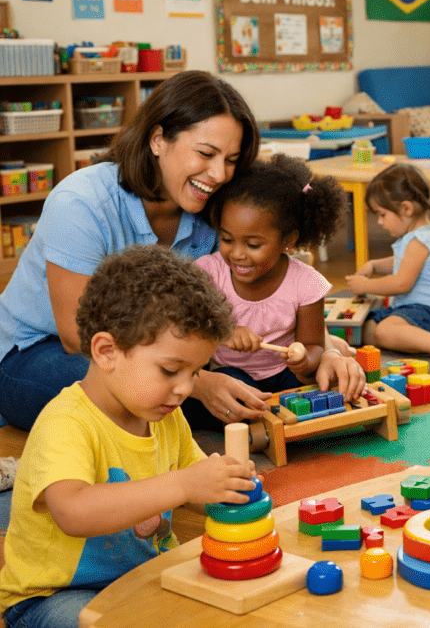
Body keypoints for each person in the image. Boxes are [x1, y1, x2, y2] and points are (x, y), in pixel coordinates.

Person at [0, 71, 361, 432]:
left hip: (155, 354)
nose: (219, 174)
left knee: (227, 395)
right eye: (205, 153)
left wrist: (326, 351)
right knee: (128, 393)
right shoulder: (81, 202)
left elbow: (265, 299)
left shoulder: (213, 212)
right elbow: (76, 336)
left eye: (231, 159)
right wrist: (196, 383)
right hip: (38, 352)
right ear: (158, 139)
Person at [0, 245, 257, 628]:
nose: (186, 388)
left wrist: (230, 488)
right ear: (106, 351)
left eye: (196, 372)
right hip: (54, 595)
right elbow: (74, 511)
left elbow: (199, 485)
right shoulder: (66, 422)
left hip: (145, 579)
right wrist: (186, 484)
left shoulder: (165, 417)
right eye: (171, 370)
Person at [197, 154, 364, 397]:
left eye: (253, 244)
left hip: (284, 372)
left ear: (288, 240)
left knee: (325, 390)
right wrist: (226, 332)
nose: (237, 254)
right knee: (236, 390)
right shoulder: (208, 273)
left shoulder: (306, 284)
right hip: (230, 372)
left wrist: (305, 358)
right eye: (227, 239)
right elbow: (185, 328)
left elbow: (314, 344)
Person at [346, 163, 430, 372]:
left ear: (406, 208)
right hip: (414, 311)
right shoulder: (413, 237)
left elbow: (401, 283)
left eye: (382, 214)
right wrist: (374, 265)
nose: (379, 222)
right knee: (365, 328)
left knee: (384, 331)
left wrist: (366, 285)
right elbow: (400, 264)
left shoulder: (421, 239)